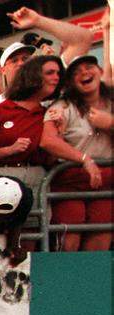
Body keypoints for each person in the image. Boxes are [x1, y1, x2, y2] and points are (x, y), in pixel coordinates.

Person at [40, 54, 113, 251]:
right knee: (69, 235)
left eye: (89, 67)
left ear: (100, 72)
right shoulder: (62, 106)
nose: (84, 73)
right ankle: (64, 281)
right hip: (70, 182)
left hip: (106, 184)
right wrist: (84, 159)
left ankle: (94, 281)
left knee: (102, 234)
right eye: (76, 72)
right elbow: (47, 140)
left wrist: (110, 123)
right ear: (70, 82)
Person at [0, 54, 63, 189]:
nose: (55, 78)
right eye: (49, 73)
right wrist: (9, 150)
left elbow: (49, 160)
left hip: (39, 180)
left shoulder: (48, 114)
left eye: (57, 74)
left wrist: (60, 135)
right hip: (1, 181)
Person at [0, 7, 92, 113]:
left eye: (25, 58)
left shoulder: (49, 94)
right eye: (14, 60)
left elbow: (83, 39)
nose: (21, 63)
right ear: (3, 70)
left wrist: (38, 21)